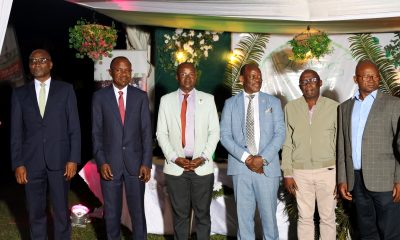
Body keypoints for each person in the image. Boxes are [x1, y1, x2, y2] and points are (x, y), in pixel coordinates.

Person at [10, 49, 81, 240]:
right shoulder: (19, 94)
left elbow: (74, 127)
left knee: (60, 211)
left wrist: (73, 159)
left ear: (50, 64)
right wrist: (18, 163)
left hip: (60, 161)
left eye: (42, 60)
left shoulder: (65, 90)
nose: (36, 64)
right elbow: (16, 133)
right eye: (33, 60)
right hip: (31, 163)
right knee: (35, 213)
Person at [220, 63, 285, 239]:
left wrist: (261, 158)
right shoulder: (230, 103)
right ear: (242, 79)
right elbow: (224, 136)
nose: (258, 79)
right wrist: (247, 158)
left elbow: (280, 134)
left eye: (259, 76)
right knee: (244, 221)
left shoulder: (273, 102)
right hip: (241, 169)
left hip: (266, 168)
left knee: (269, 221)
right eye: (253, 76)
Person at [337, 60, 400, 239]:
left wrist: (399, 179)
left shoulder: (394, 104)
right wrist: (342, 179)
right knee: (366, 232)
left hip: (386, 181)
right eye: (366, 76)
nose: (372, 79)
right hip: (356, 181)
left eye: (375, 76)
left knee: (391, 233)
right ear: (355, 79)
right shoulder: (344, 108)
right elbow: (342, 146)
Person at [156, 62, 219, 239]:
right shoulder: (166, 100)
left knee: (203, 217)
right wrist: (174, 158)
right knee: (180, 217)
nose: (188, 77)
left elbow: (214, 132)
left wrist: (204, 157)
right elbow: (161, 133)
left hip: (202, 167)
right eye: (183, 74)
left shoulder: (208, 99)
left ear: (196, 76)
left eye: (191, 73)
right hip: (176, 168)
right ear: (177, 77)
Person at [92, 56, 152, 240]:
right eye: (119, 69)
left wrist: (146, 163)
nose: (123, 73)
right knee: (111, 213)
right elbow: (96, 133)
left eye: (127, 70)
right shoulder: (99, 97)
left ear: (131, 72)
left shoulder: (140, 96)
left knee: (137, 213)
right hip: (110, 165)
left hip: (136, 165)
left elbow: (146, 133)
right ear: (110, 72)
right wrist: (101, 162)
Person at [281, 69, 338, 240]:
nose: (308, 83)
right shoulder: (290, 108)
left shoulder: (334, 107)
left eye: (312, 79)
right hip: (300, 173)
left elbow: (340, 143)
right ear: (300, 86)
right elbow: (287, 142)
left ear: (320, 82)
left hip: (328, 171)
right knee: (304, 218)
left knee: (327, 218)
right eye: (304, 81)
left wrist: (341, 175)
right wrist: (288, 173)